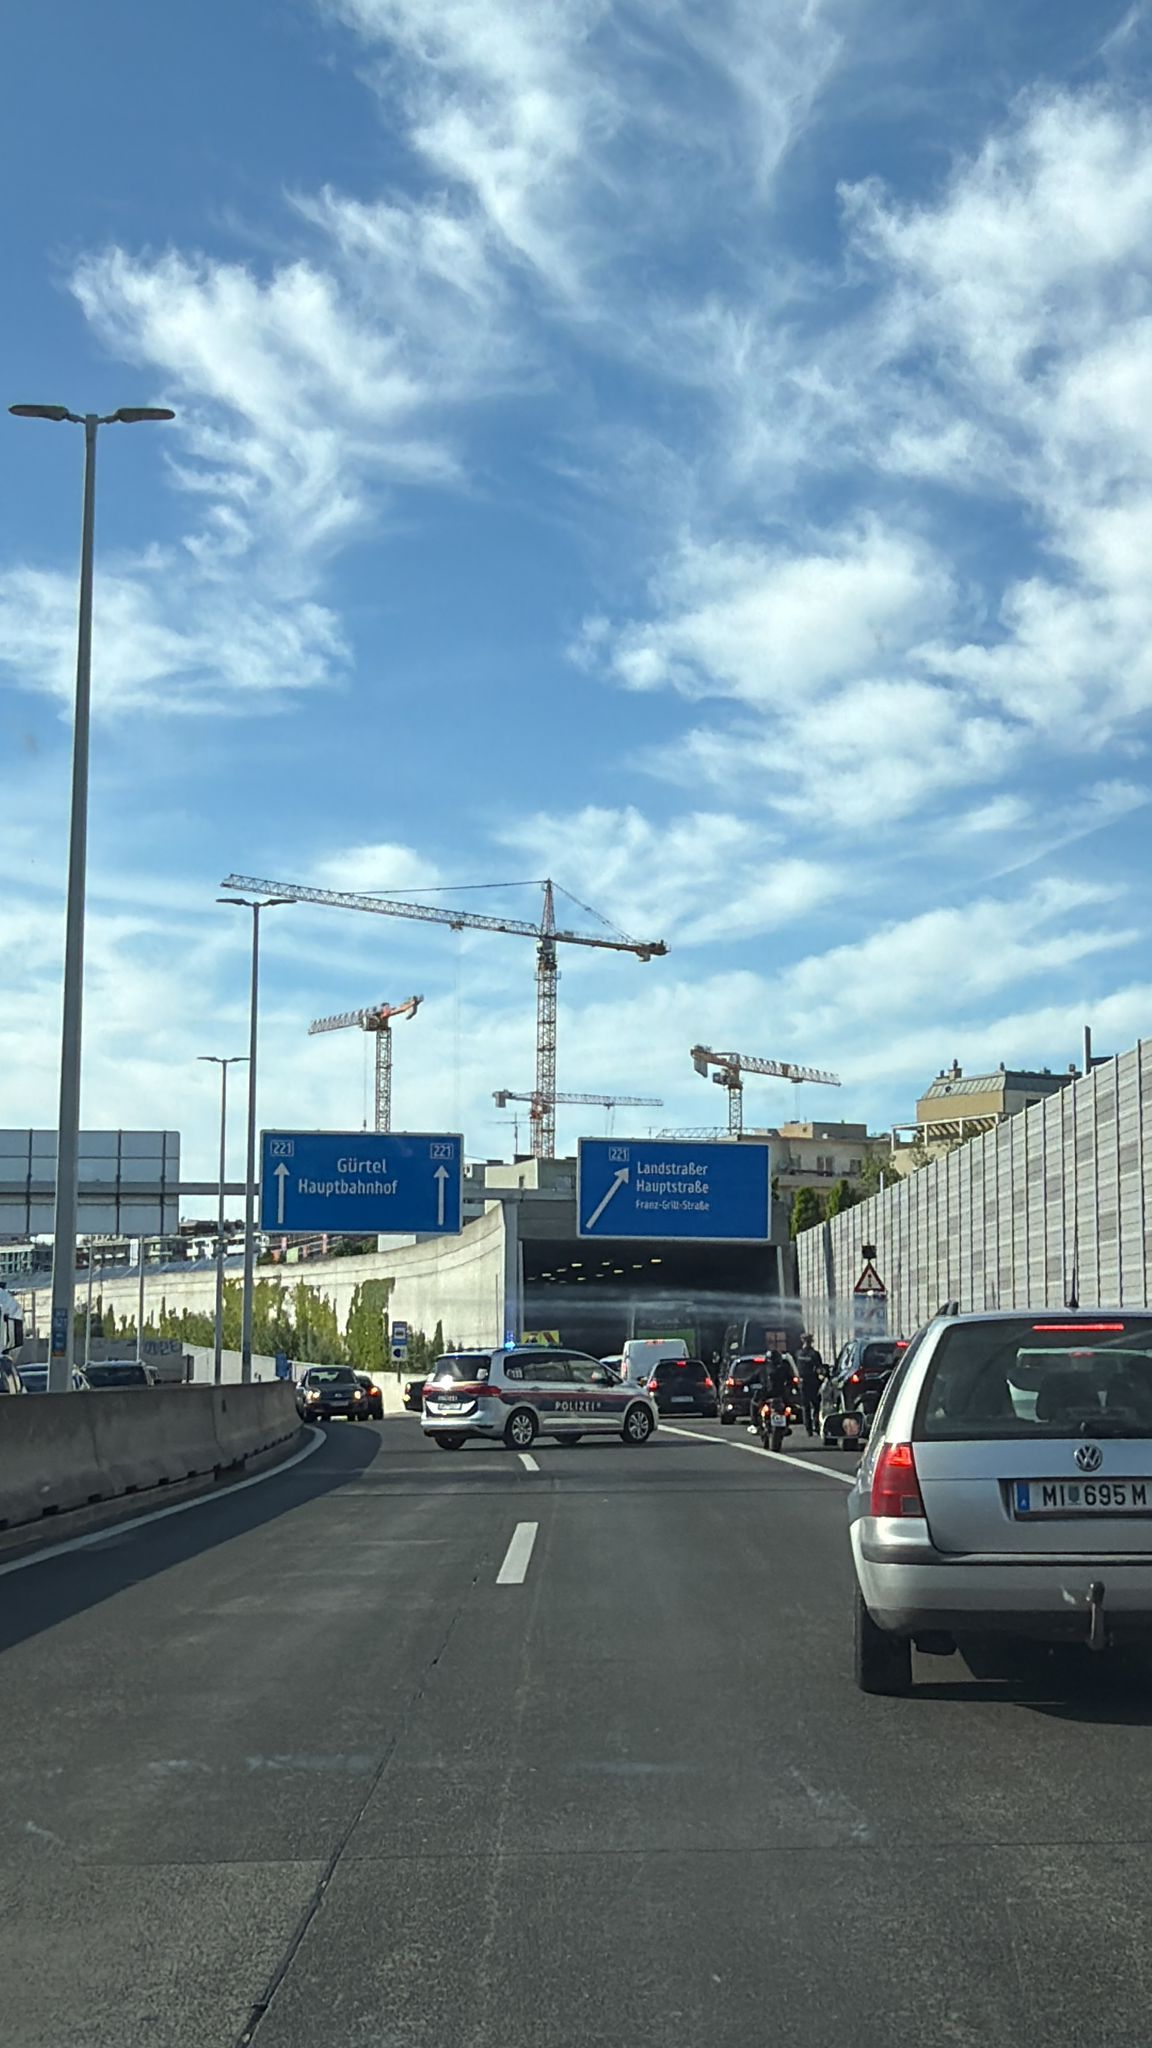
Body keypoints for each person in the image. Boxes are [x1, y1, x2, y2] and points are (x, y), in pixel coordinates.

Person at [795, 1333, 824, 1437]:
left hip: (803, 1382)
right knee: (815, 1405)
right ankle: (815, 1426)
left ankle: (809, 1428)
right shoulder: (814, 1354)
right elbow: (819, 1368)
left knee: (806, 1406)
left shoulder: (798, 1353)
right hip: (812, 1382)